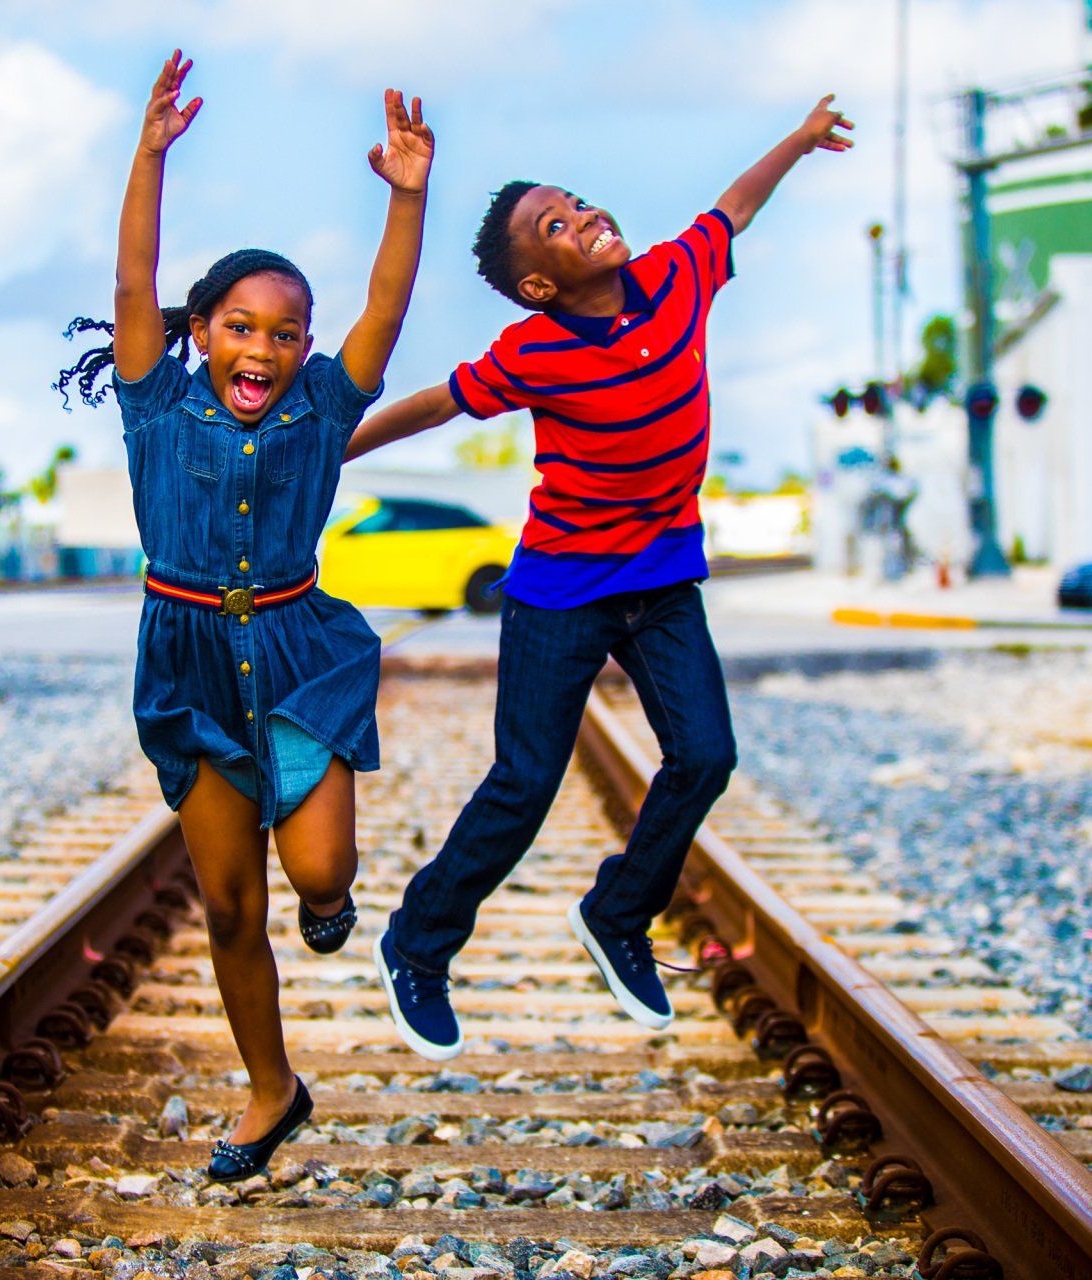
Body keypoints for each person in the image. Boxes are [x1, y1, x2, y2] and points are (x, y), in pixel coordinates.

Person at [349, 96, 853, 1061]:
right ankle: (418, 943)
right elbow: (437, 405)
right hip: (559, 586)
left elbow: (734, 207)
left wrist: (794, 140)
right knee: (525, 782)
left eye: (578, 203)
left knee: (705, 755)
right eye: (558, 225)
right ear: (540, 282)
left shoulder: (676, 275)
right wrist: (334, 442)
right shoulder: (530, 351)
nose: (584, 217)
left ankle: (619, 916)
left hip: (662, 579)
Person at [55, 51, 434, 1175]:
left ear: (305, 350)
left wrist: (405, 197)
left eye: (284, 332)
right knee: (228, 906)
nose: (261, 348)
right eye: (240, 326)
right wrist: (149, 155)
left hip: (297, 646)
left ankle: (332, 899)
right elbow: (132, 282)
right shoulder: (154, 401)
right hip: (186, 661)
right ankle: (272, 1087)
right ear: (201, 333)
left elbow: (386, 305)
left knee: (317, 875)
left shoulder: (324, 405)